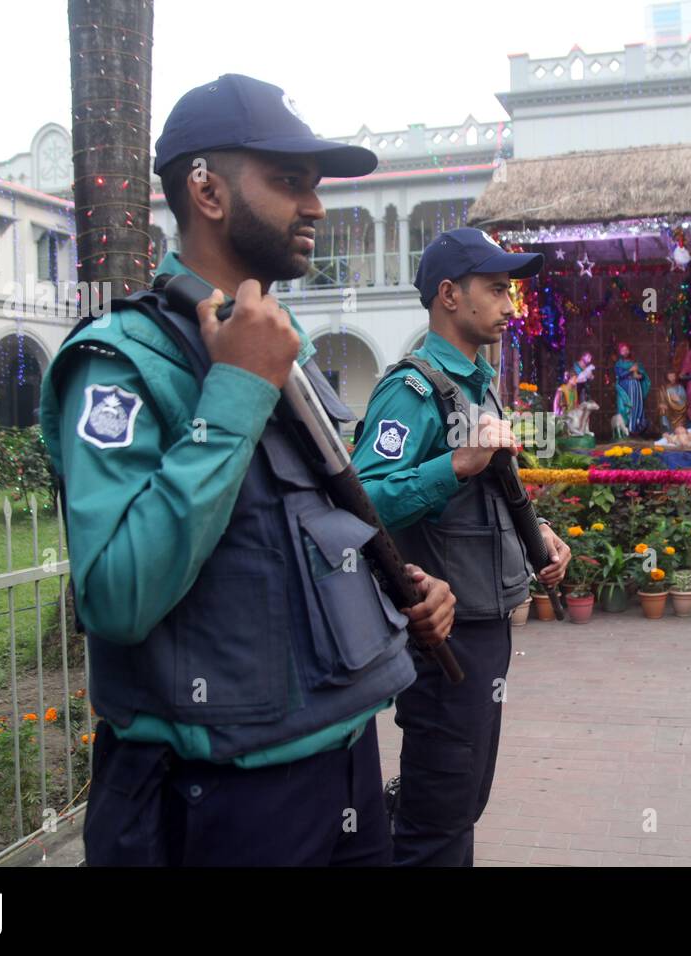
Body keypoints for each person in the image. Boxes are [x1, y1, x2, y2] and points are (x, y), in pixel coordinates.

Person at [39, 74, 455, 867]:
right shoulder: (121, 362)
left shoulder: (280, 341)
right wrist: (234, 389)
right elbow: (116, 597)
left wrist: (398, 594)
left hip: (346, 761)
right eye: (288, 181)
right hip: (226, 801)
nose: (316, 207)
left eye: (316, 185)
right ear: (206, 188)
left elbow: (301, 531)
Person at [352, 226, 571, 866]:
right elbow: (362, 499)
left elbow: (484, 493)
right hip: (446, 637)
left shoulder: (477, 382)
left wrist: (542, 536)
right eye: (497, 289)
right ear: (449, 295)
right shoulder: (411, 389)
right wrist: (457, 464)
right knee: (437, 819)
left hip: (486, 626)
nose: (511, 304)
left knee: (462, 801)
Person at [614, 342, 650, 436]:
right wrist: (630, 370)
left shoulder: (635, 363)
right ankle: (625, 428)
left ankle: (635, 427)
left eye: (626, 350)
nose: (625, 352)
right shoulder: (618, 364)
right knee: (625, 407)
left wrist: (639, 376)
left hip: (636, 387)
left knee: (637, 406)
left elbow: (642, 374)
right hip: (625, 389)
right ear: (619, 352)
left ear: (629, 351)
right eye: (623, 350)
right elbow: (620, 375)